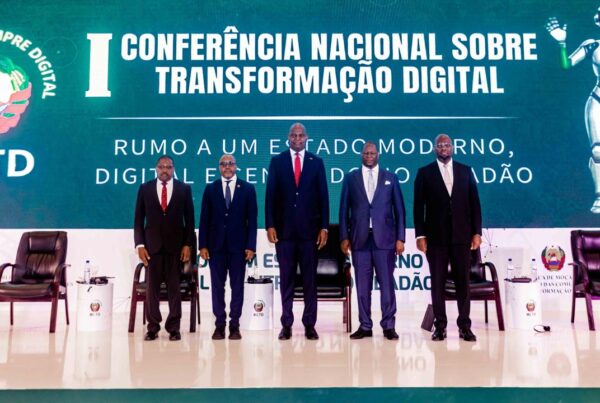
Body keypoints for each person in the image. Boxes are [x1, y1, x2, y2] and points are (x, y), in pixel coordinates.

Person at [413, 134, 482, 342]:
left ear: (452, 147)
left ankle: (465, 326)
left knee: (463, 283)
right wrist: (420, 235)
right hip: (436, 238)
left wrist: (477, 232)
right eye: (440, 145)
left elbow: (475, 204)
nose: (444, 148)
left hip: (462, 236)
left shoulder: (465, 171)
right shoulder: (424, 173)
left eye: (447, 144)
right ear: (435, 149)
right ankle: (440, 326)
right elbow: (418, 207)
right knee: (437, 283)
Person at [265, 122, 329, 340]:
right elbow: (270, 196)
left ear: (306, 138)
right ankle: (287, 324)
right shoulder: (277, 161)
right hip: (284, 232)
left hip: (310, 232)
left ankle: (310, 324)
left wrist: (324, 227)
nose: (297, 138)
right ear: (288, 138)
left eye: (301, 135)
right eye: (294, 135)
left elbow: (323, 197)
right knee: (287, 280)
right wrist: (270, 224)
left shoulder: (316, 162)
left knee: (310, 280)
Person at [339, 142, 405, 340]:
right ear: (361, 155)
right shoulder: (350, 178)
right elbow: (343, 210)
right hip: (359, 240)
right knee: (362, 286)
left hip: (385, 241)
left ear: (378, 155)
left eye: (372, 153)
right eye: (366, 153)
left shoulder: (391, 178)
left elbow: (400, 211)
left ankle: (388, 326)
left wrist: (400, 238)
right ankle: (365, 325)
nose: (369, 155)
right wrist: (344, 237)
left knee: (387, 285)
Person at [134, 155, 195, 341]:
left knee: (174, 288)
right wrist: (140, 245)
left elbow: (190, 220)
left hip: (175, 247)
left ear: (173, 169)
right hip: (152, 247)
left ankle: (174, 328)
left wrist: (188, 245)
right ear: (156, 169)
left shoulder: (184, 189)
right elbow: (138, 220)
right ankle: (152, 327)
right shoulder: (145, 188)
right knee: (152, 289)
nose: (165, 170)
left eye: (168, 167)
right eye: (161, 167)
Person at [198, 154, 258, 340]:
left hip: (239, 248)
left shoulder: (248, 188)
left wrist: (251, 245)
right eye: (223, 164)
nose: (227, 167)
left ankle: (234, 325)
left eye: (230, 163)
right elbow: (204, 219)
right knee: (217, 287)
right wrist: (203, 245)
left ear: (236, 166)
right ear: (219, 167)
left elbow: (252, 220)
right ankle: (219, 324)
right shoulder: (211, 189)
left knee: (237, 287)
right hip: (215, 247)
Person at [546, 11, 600, 213]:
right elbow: (566, 65)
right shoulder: (592, 45)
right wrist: (561, 43)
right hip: (597, 101)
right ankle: (599, 197)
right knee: (597, 151)